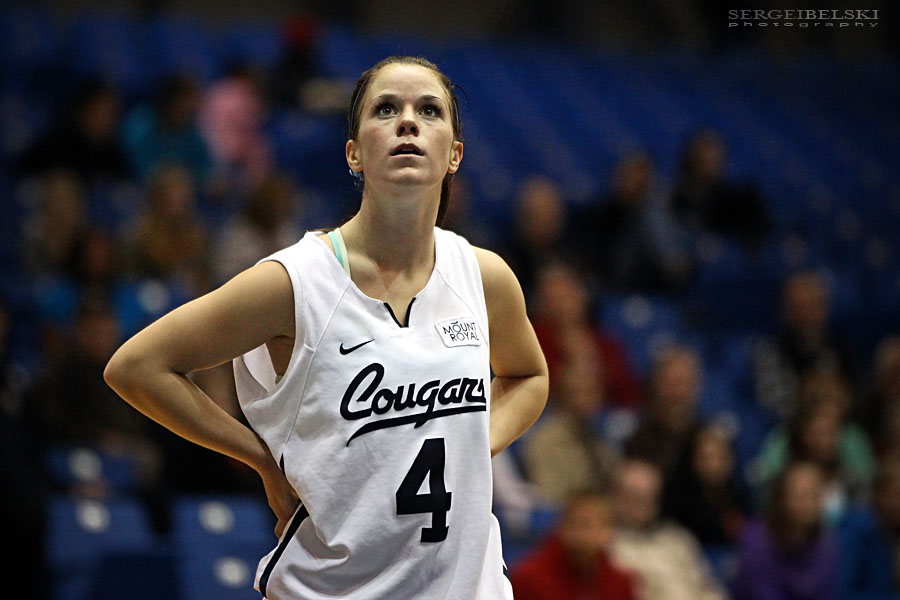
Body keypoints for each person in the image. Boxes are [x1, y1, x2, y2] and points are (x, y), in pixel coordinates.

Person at [104, 55, 549, 599]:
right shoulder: (295, 281)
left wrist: (472, 445)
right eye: (386, 109)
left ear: (454, 154)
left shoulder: (484, 276)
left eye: (429, 110)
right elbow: (136, 367)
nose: (408, 121)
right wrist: (260, 459)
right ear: (354, 153)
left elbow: (530, 376)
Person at [609, 458, 727, 600]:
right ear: (616, 497)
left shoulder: (678, 540)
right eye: (635, 496)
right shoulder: (609, 546)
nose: (643, 504)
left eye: (649, 496)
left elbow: (709, 590)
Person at [732, 461, 838, 600]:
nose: (809, 504)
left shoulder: (826, 544)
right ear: (781, 498)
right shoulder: (756, 541)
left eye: (815, 495)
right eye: (801, 496)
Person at [511, 490, 638, 600]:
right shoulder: (528, 579)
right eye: (585, 525)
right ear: (564, 526)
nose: (594, 534)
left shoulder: (620, 583)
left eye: (603, 524)